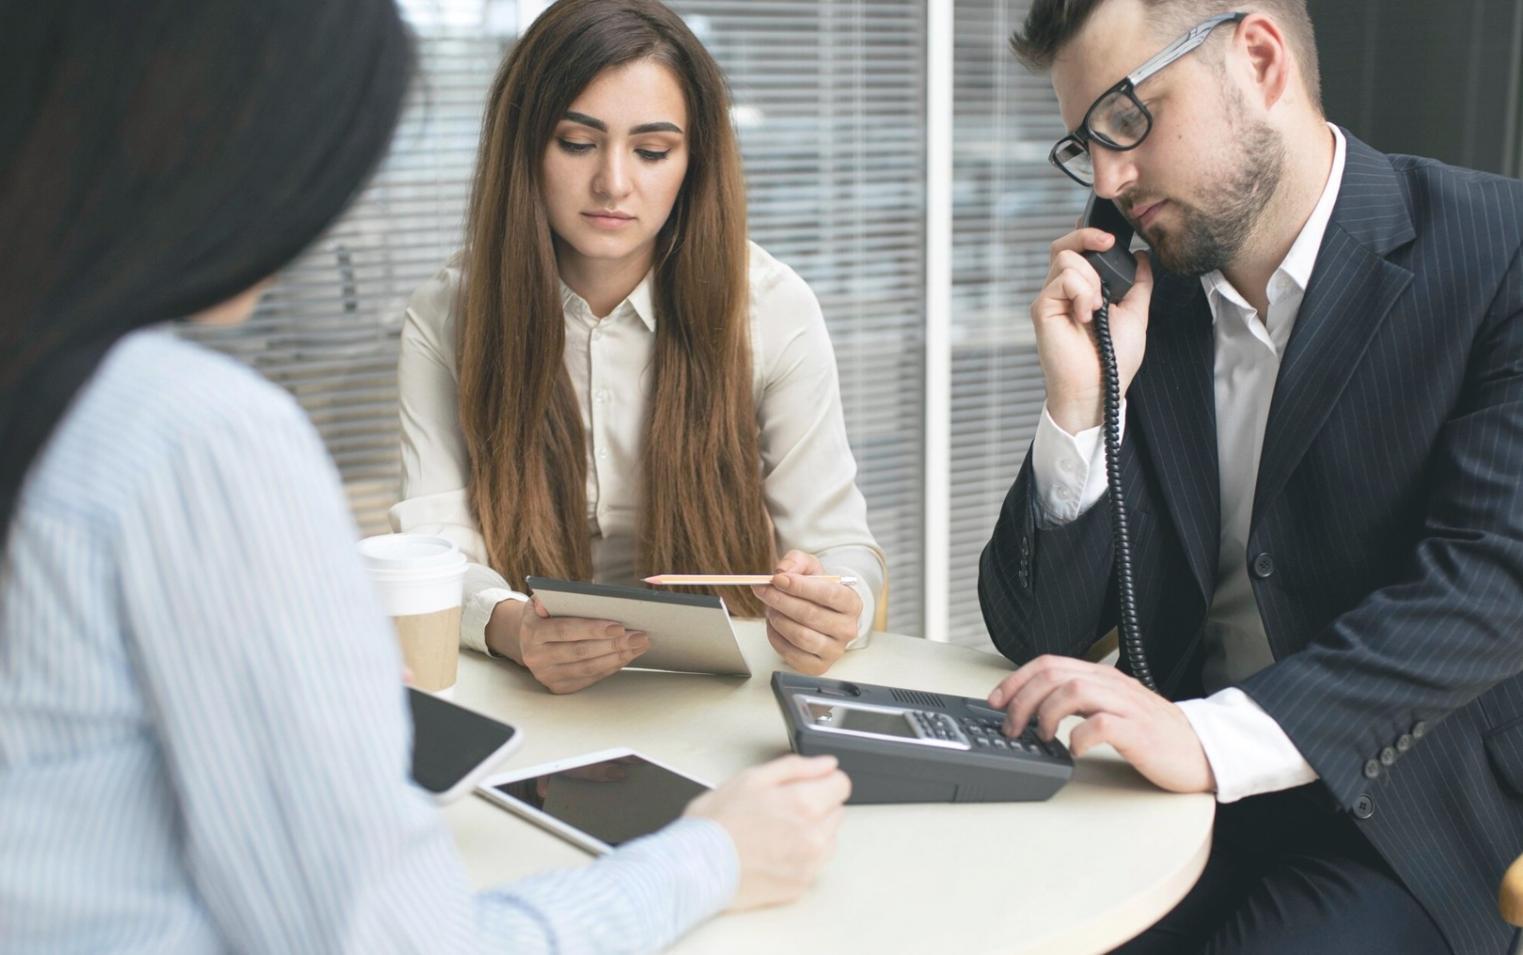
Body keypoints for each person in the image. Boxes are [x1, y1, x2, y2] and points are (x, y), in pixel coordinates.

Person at [0, 2, 850, 952]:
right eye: (576, 142)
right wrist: (713, 857)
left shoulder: (83, 408)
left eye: (652, 149)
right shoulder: (192, 435)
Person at [976, 1, 1523, 952]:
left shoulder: (1498, 252)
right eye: (1085, 144)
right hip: (1172, 802)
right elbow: (1035, 631)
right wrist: (1083, 402)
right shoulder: (1153, 300)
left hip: (1406, 817)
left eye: (1126, 118)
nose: (1109, 176)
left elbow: (1490, 583)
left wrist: (1209, 738)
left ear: (1259, 59)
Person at [390, 0, 886, 693]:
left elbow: (841, 549)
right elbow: (436, 550)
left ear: (692, 161)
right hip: (521, 691)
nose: (614, 184)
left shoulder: (770, 307)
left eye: (652, 151)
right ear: (524, 147)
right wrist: (513, 627)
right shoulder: (448, 313)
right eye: (576, 142)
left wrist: (838, 606)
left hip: (717, 694)